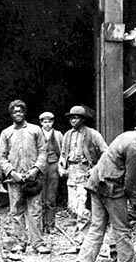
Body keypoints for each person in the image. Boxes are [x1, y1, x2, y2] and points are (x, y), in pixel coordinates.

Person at [76, 114, 136, 262]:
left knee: (97, 228)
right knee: (122, 230)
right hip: (110, 188)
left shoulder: (129, 136)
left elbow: (133, 172)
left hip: (96, 184)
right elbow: (132, 181)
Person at [0, 100, 49, 254]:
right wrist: (11, 172)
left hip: (33, 178)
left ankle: (38, 243)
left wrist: (36, 169)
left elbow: (43, 151)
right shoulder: (6, 133)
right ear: (11, 114)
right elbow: (1, 157)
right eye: (15, 112)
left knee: (35, 211)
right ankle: (21, 242)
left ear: (24, 113)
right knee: (16, 211)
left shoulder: (35, 130)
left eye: (20, 111)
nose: (18, 114)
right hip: (14, 179)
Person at [59, 105, 108, 254]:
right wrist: (61, 167)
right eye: (71, 118)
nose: (73, 120)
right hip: (72, 174)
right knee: (73, 209)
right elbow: (63, 154)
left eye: (76, 117)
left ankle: (87, 245)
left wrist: (95, 169)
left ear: (83, 119)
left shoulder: (93, 134)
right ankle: (78, 242)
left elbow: (106, 153)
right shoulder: (67, 135)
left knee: (84, 211)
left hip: (85, 174)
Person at [38, 111, 62, 234]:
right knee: (40, 196)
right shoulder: (37, 134)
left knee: (51, 197)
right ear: (41, 123)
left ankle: (50, 225)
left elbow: (62, 152)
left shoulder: (58, 135)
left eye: (50, 122)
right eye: (45, 122)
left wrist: (61, 165)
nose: (47, 124)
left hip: (53, 165)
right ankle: (40, 226)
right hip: (41, 167)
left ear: (53, 122)